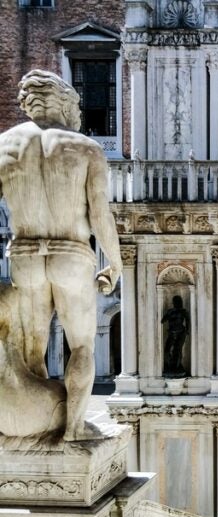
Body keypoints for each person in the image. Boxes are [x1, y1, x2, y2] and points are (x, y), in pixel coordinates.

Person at [0, 70, 122, 441]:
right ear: (66, 104)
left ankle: (33, 428)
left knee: (31, 352)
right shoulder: (84, 148)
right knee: (82, 344)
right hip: (71, 254)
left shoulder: (5, 145)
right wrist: (114, 262)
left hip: (24, 253)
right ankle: (73, 429)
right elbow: (100, 215)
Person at [161, 295, 189, 375]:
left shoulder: (183, 311)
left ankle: (177, 366)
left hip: (180, 333)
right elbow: (163, 320)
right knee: (167, 350)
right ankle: (170, 365)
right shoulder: (170, 311)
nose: (174, 303)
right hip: (172, 332)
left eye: (175, 302)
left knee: (177, 350)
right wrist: (170, 314)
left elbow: (187, 321)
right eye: (174, 302)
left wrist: (187, 330)